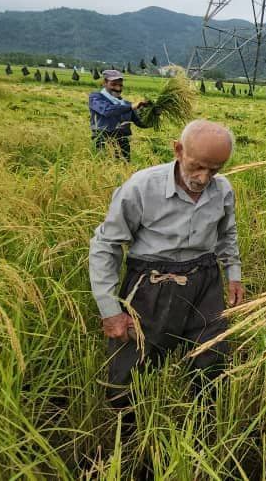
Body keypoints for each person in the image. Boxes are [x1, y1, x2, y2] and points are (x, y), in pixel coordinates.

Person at [88, 120, 245, 406]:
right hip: (151, 282)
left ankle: (204, 419)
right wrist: (109, 309)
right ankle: (127, 427)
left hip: (204, 280)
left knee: (211, 356)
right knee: (133, 359)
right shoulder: (141, 187)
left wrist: (233, 274)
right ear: (178, 150)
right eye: (197, 166)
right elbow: (106, 245)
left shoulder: (222, 190)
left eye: (215, 169)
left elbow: (227, 235)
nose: (204, 177)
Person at [88, 69, 148, 161]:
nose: (118, 88)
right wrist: (131, 106)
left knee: (124, 169)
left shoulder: (125, 104)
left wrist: (154, 114)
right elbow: (107, 110)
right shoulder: (96, 98)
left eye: (120, 85)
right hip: (103, 143)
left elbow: (141, 123)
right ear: (104, 83)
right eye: (113, 84)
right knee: (105, 170)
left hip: (123, 145)